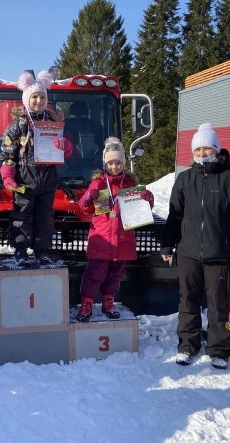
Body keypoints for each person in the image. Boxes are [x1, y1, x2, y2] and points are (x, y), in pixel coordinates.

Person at [161, 123, 230, 370]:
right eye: (198, 148)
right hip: (189, 252)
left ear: (216, 149)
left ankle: (219, 349)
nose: (202, 153)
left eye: (207, 148)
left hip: (220, 254)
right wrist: (167, 245)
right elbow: (174, 215)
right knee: (187, 302)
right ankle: (187, 346)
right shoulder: (184, 179)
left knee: (218, 304)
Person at [0, 70, 73, 266]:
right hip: (25, 179)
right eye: (34, 97)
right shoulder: (18, 125)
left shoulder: (53, 123)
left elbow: (65, 149)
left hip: (47, 177)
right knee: (21, 215)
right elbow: (7, 153)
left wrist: (64, 146)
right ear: (26, 99)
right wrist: (8, 176)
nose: (39, 101)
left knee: (45, 217)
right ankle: (21, 250)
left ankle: (41, 250)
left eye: (42, 97)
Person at [76, 137, 154, 322]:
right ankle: (87, 303)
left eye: (118, 162)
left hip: (122, 238)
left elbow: (142, 209)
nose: (114, 166)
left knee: (116, 274)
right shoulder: (98, 183)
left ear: (124, 163)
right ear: (105, 163)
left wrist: (148, 198)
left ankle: (108, 301)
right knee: (94, 274)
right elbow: (85, 209)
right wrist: (88, 197)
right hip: (102, 237)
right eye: (110, 163)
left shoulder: (130, 184)